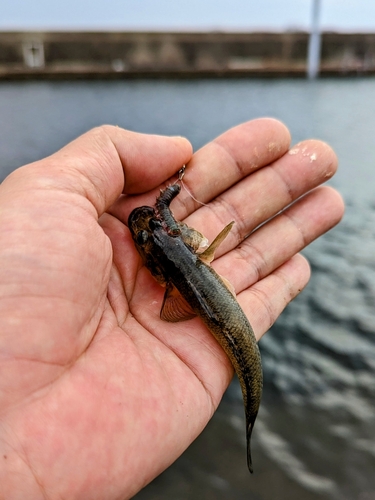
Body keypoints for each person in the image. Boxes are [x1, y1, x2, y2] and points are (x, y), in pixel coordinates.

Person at [0, 119, 344, 499]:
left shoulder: (163, 271)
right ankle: (250, 427)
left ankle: (249, 423)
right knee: (244, 358)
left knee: (246, 363)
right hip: (205, 289)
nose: (149, 231)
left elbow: (169, 296)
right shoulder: (182, 251)